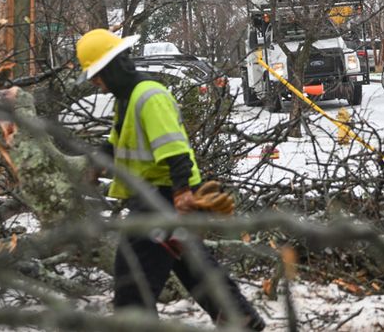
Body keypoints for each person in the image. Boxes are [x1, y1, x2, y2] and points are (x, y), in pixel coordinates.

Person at [76, 28, 265, 330]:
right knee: (192, 264)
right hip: (157, 198)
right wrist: (95, 167)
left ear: (112, 68)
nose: (97, 85)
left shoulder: (149, 96)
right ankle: (237, 316)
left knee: (132, 276)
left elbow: (174, 149)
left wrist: (181, 195)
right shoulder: (126, 99)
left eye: (97, 76)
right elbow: (115, 142)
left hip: (162, 200)